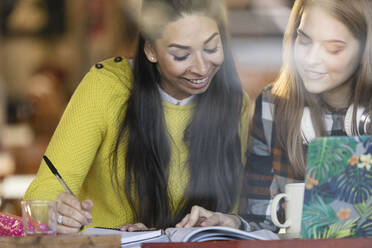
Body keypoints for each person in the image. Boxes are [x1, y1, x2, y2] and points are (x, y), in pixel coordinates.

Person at [24, 0, 252, 234]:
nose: (202, 68)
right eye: (181, 55)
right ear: (151, 50)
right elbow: (43, 192)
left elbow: (240, 208)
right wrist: (58, 210)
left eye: (212, 48)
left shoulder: (233, 102)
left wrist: (225, 220)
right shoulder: (105, 87)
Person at [177, 0, 372, 232]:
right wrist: (232, 222)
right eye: (304, 39)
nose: (311, 59)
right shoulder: (273, 105)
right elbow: (262, 217)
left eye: (333, 48)